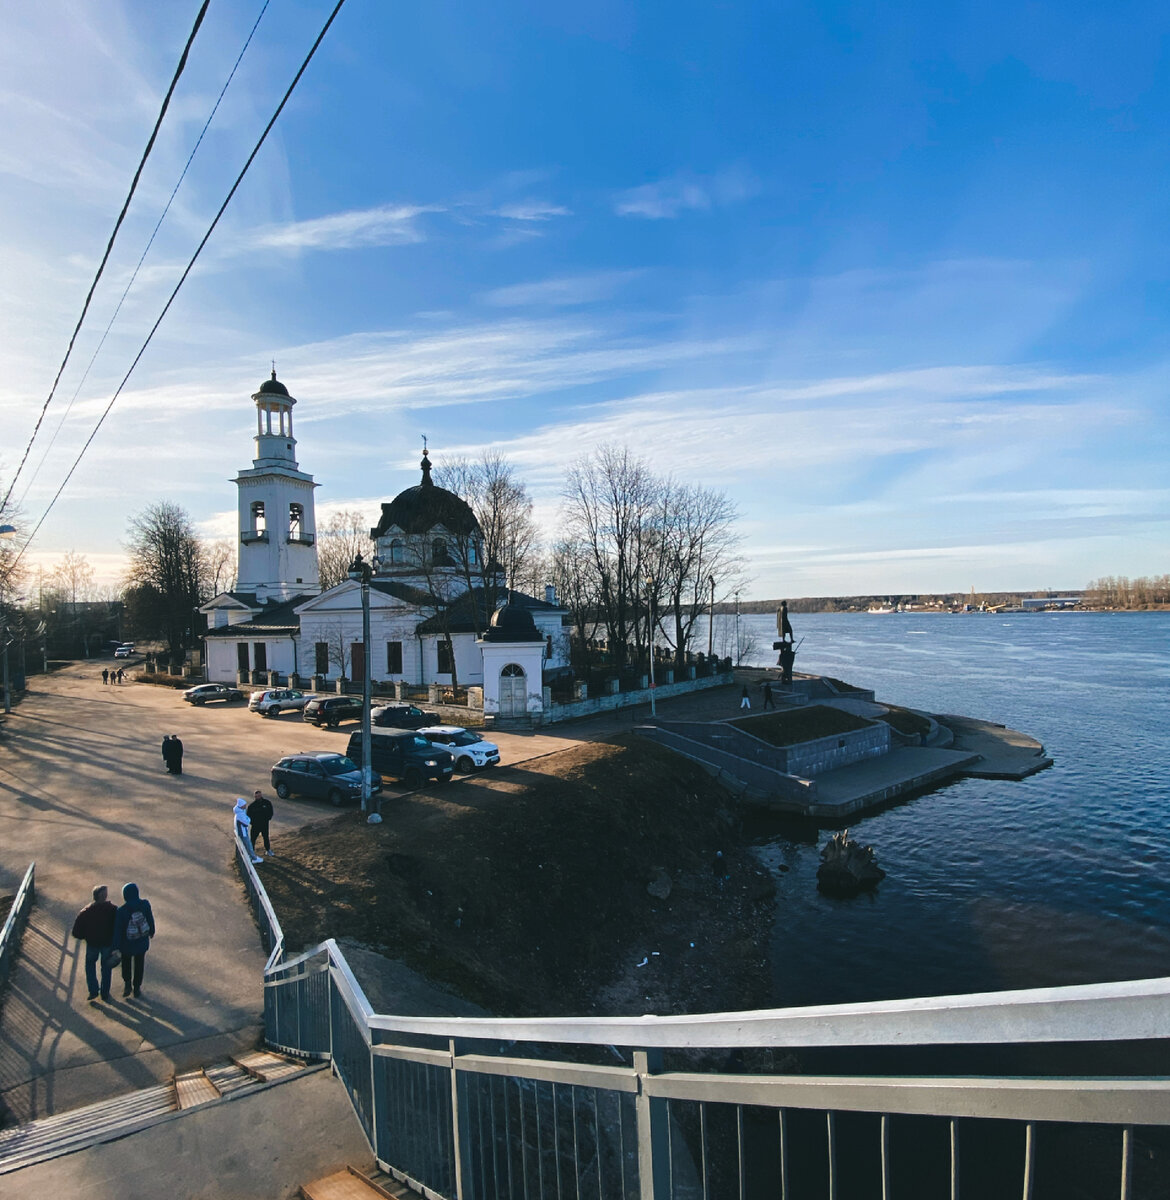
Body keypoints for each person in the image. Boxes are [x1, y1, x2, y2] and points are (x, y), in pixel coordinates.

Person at [71, 884, 117, 1002]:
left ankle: (93, 990)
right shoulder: (112, 909)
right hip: (107, 943)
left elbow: (76, 931)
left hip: (92, 944)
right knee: (106, 967)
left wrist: (85, 936)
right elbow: (118, 926)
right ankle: (105, 993)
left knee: (90, 966)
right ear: (104, 896)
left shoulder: (86, 912)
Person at [113, 882, 155, 999]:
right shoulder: (145, 904)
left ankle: (127, 984)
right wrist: (152, 931)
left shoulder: (122, 911)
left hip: (127, 943)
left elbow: (118, 929)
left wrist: (115, 946)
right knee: (139, 964)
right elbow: (150, 918)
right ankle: (137, 988)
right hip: (142, 941)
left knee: (126, 963)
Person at [234, 798, 264, 864]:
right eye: (244, 805)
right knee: (248, 846)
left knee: (248, 845)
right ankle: (254, 858)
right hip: (243, 833)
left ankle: (251, 856)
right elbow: (246, 823)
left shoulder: (240, 811)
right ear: (241, 806)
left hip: (244, 832)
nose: (245, 806)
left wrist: (247, 819)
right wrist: (248, 819)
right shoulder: (240, 815)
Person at [247, 788, 274, 857]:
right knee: (253, 839)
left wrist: (268, 819)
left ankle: (268, 850)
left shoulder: (267, 803)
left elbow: (270, 812)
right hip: (255, 826)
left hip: (264, 824)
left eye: (259, 796)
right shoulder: (251, 806)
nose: (258, 797)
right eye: (256, 796)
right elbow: (248, 815)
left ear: (261, 795)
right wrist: (252, 823)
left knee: (266, 837)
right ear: (255, 797)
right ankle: (252, 852)